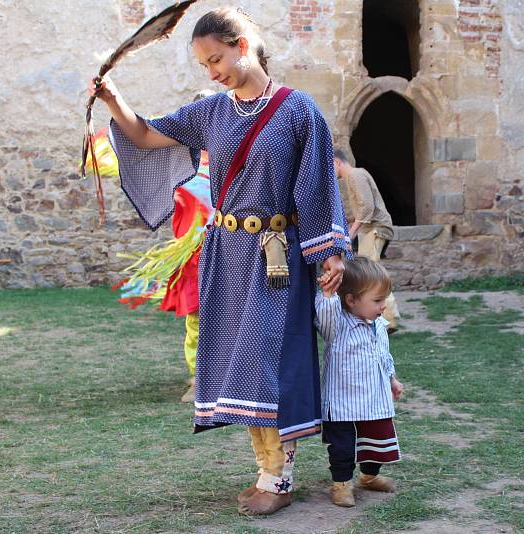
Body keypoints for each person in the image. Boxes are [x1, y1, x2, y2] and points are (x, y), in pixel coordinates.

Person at [90, 6, 350, 516]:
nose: (213, 73)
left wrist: (330, 253)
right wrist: (113, 99)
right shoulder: (212, 111)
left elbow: (318, 187)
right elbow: (145, 135)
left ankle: (279, 479)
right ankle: (265, 472)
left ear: (242, 44)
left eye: (217, 59)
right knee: (242, 368)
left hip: (276, 258)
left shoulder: (299, 111)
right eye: (204, 65)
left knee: (269, 364)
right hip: (226, 256)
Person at [113, 89, 215, 403]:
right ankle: (199, 379)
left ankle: (229, 375)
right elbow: (141, 135)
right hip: (192, 255)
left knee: (232, 317)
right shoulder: (175, 159)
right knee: (198, 319)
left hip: (228, 248)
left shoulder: (231, 156)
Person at [315, 256, 404, 507]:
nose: (384, 306)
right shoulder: (337, 324)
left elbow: (383, 355)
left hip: (373, 398)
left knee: (375, 442)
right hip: (343, 400)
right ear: (351, 300)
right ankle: (341, 484)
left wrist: (392, 379)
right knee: (343, 447)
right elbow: (325, 312)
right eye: (377, 301)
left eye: (384, 299)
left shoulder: (378, 324)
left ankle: (369, 476)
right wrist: (329, 293)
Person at [333, 149, 400, 332]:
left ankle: (388, 321)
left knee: (369, 275)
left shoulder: (355, 175)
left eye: (331, 166)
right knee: (372, 272)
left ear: (337, 162)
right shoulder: (354, 176)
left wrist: (351, 234)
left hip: (376, 229)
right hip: (372, 229)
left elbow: (367, 208)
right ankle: (388, 317)